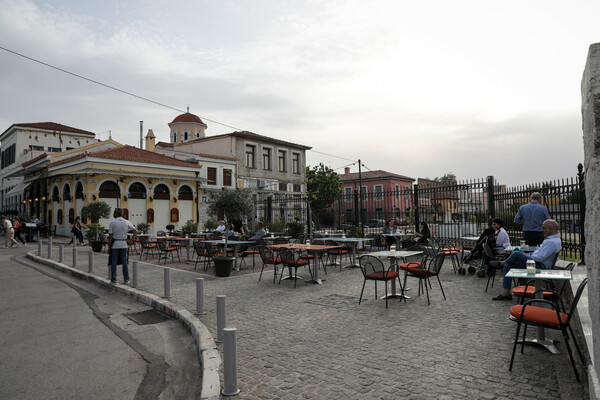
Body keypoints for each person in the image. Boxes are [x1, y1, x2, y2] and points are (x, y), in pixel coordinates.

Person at [491, 219, 561, 301]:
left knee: (516, 254)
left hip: (539, 267)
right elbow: (538, 253)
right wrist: (526, 255)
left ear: (551, 228)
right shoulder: (550, 240)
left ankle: (501, 263)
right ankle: (506, 292)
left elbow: (540, 258)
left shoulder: (552, 242)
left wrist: (526, 256)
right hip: (535, 264)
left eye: (544, 228)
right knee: (508, 265)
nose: (542, 230)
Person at [107, 208, 137, 284]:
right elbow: (135, 232)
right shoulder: (127, 222)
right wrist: (131, 241)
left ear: (116, 213)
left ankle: (114, 278)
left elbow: (110, 236)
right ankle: (126, 278)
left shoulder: (112, 223)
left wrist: (109, 246)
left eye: (114, 212)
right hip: (124, 243)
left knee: (113, 261)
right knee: (124, 262)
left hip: (115, 244)